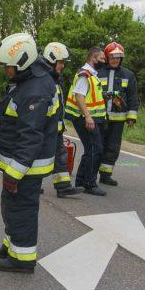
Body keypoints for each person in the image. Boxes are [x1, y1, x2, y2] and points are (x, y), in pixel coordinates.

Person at [0, 32, 61, 273]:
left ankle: (22, 260)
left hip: (27, 166)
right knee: (11, 206)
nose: (5, 71)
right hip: (21, 163)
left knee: (22, 209)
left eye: (8, 67)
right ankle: (12, 246)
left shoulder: (35, 90)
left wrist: (14, 173)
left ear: (22, 63)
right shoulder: (30, 79)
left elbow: (31, 136)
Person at [42, 42, 83, 198]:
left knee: (60, 155)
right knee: (36, 157)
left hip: (55, 128)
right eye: (61, 62)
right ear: (52, 60)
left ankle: (63, 186)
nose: (63, 66)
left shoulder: (54, 78)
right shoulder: (45, 79)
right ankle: (29, 184)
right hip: (44, 128)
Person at [65, 46, 108, 196]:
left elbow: (91, 96)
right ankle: (89, 184)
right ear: (93, 58)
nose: (104, 61)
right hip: (85, 118)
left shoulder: (92, 74)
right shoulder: (85, 74)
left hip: (88, 117)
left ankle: (81, 181)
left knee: (91, 149)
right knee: (95, 149)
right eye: (102, 58)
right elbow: (79, 96)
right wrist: (88, 117)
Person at [97, 41, 139, 187]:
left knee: (113, 147)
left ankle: (106, 174)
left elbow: (133, 97)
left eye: (118, 57)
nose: (115, 60)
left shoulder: (128, 75)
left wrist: (132, 117)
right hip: (100, 118)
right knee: (97, 145)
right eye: (112, 57)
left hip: (118, 119)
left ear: (121, 58)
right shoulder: (97, 72)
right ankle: (91, 173)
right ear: (107, 57)